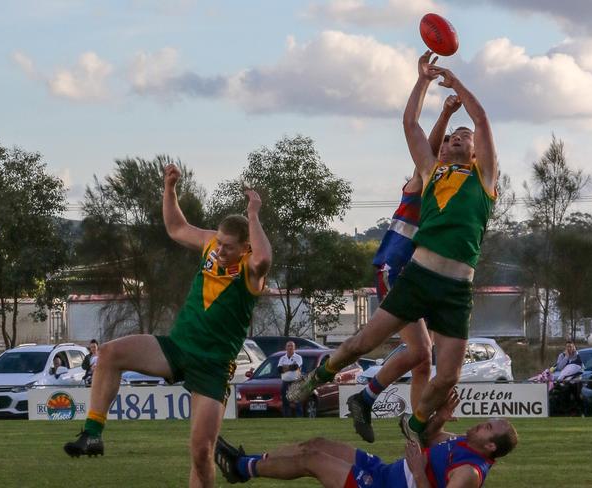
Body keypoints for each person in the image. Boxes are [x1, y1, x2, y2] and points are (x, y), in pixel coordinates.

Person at [289, 50, 498, 448]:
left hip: (455, 289)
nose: (458, 137)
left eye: (464, 137)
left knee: (448, 374)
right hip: (416, 275)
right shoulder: (431, 172)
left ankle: (417, 425)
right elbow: (409, 123)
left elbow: (483, 119)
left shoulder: (484, 179)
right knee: (362, 343)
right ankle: (317, 377)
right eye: (453, 135)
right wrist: (422, 80)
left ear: (475, 154)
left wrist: (457, 83)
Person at [63, 163, 272, 488]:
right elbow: (176, 227)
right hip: (176, 349)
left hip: (213, 367)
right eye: (218, 242)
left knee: (202, 453)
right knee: (109, 353)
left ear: (245, 246)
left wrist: (254, 215)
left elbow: (264, 259)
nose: (219, 249)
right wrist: (170, 188)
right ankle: (92, 433)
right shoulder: (211, 247)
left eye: (228, 246)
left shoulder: (252, 270)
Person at [348, 97, 461, 443]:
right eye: (443, 145)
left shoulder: (452, 189)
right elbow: (426, 149)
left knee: (424, 362)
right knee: (420, 352)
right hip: (394, 267)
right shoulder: (422, 179)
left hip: (418, 276)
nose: (443, 150)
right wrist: (443, 115)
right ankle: (364, 398)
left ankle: (419, 432)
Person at [215, 391, 518, 487]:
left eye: (487, 428)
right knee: (317, 444)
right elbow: (428, 438)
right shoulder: (462, 442)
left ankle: (240, 467)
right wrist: (440, 417)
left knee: (313, 460)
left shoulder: (470, 472)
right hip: (383, 472)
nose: (480, 425)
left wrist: (416, 471)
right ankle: (251, 460)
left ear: (490, 446)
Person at [278, 341, 303, 417]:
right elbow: (279, 369)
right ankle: (287, 417)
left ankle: (299, 418)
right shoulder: (282, 358)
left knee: (297, 401)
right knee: (285, 401)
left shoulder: (298, 357)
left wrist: (285, 367)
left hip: (295, 381)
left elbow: (295, 367)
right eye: (288, 346)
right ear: (286, 347)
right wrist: (290, 367)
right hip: (285, 382)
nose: (290, 347)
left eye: (292, 346)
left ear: (294, 347)